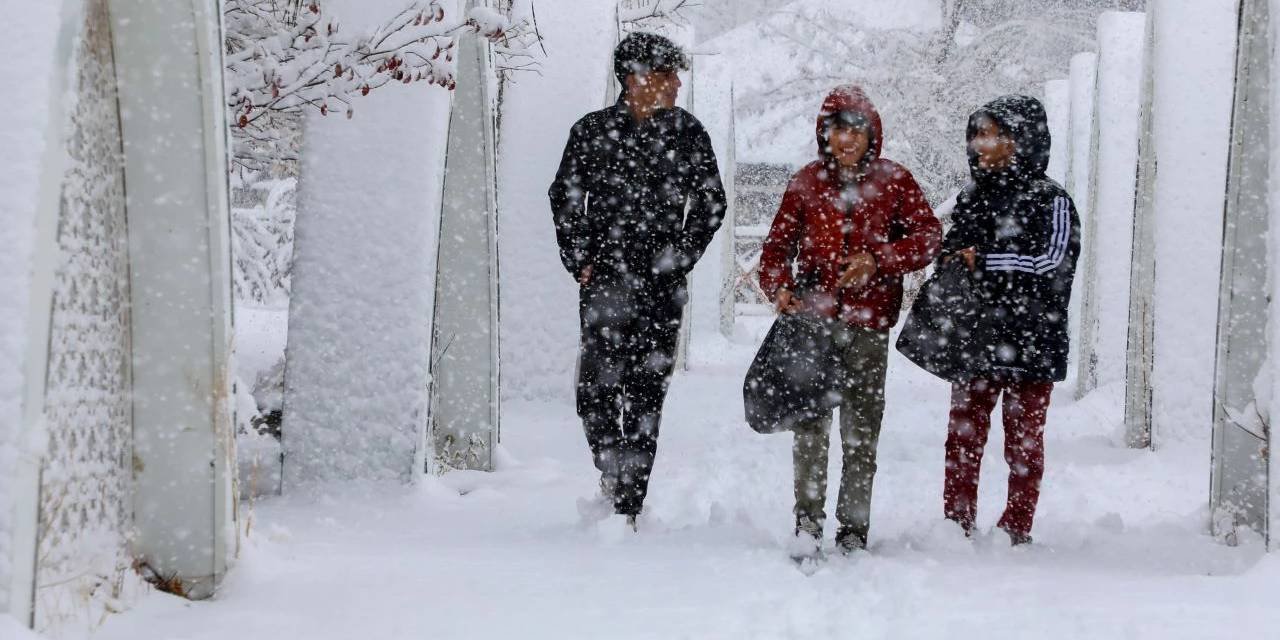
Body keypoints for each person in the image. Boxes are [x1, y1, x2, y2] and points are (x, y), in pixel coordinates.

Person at [547, 32, 727, 530]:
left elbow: (712, 203)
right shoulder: (591, 131)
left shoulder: (688, 133)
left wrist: (679, 257)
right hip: (605, 280)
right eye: (666, 74)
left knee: (646, 393)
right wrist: (580, 257)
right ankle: (611, 469)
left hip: (661, 286)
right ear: (634, 78)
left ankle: (629, 502)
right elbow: (565, 196)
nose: (676, 84)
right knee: (596, 393)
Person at [759, 85, 940, 558]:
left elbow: (928, 237)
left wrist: (878, 261)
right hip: (812, 327)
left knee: (861, 431)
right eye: (838, 130)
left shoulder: (895, 181)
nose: (847, 140)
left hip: (868, 327)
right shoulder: (805, 182)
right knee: (810, 428)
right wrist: (779, 286)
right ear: (825, 133)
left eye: (857, 131)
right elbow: (776, 249)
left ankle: (854, 529)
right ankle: (807, 523)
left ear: (872, 134)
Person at [939, 95, 1081, 546]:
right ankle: (955, 523)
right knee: (962, 437)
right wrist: (953, 259)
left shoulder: (1052, 200)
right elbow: (951, 253)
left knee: (1023, 442)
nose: (982, 143)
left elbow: (1052, 264)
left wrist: (985, 261)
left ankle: (1017, 527)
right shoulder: (971, 197)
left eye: (994, 134)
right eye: (978, 134)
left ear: (1022, 140)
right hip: (977, 337)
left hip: (1033, 341)